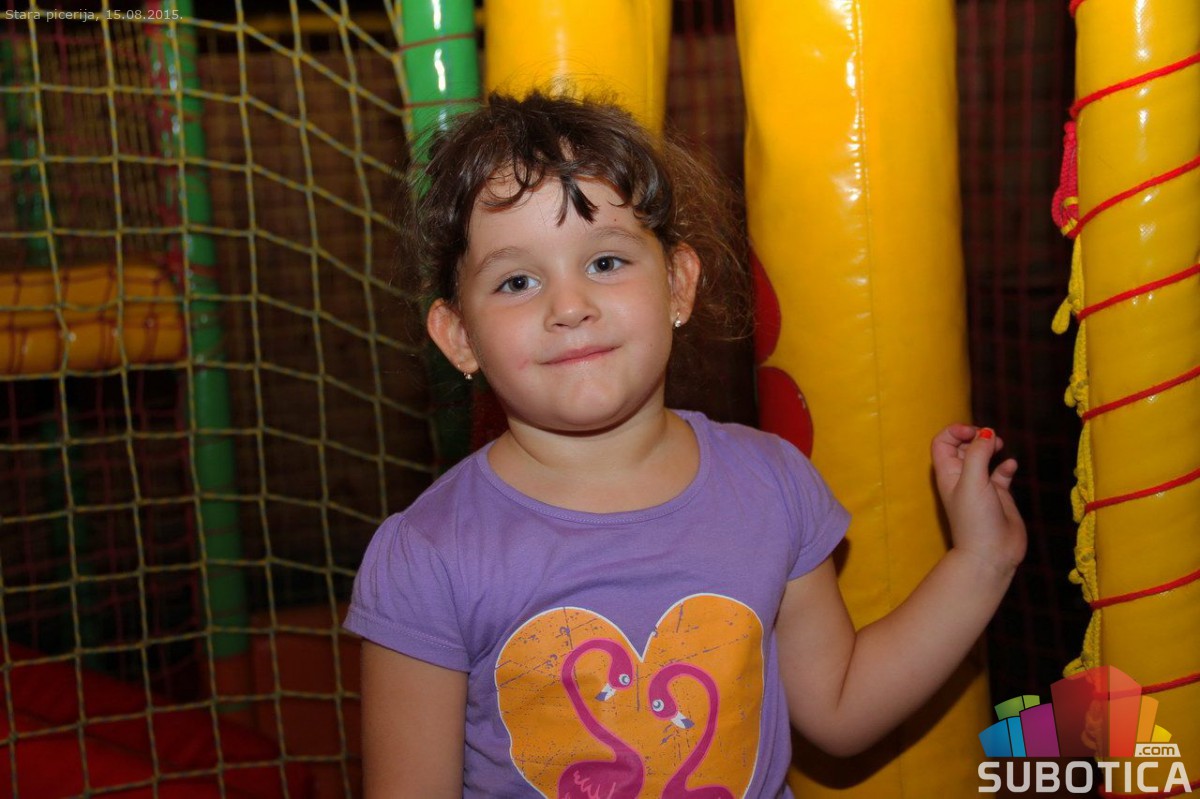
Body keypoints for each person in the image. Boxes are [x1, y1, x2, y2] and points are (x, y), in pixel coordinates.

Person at [344, 91, 1026, 798]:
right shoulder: (429, 555)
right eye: (518, 280)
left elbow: (842, 706)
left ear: (678, 283)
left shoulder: (770, 484)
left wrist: (982, 560)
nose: (569, 306)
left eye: (606, 262)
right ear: (459, 336)